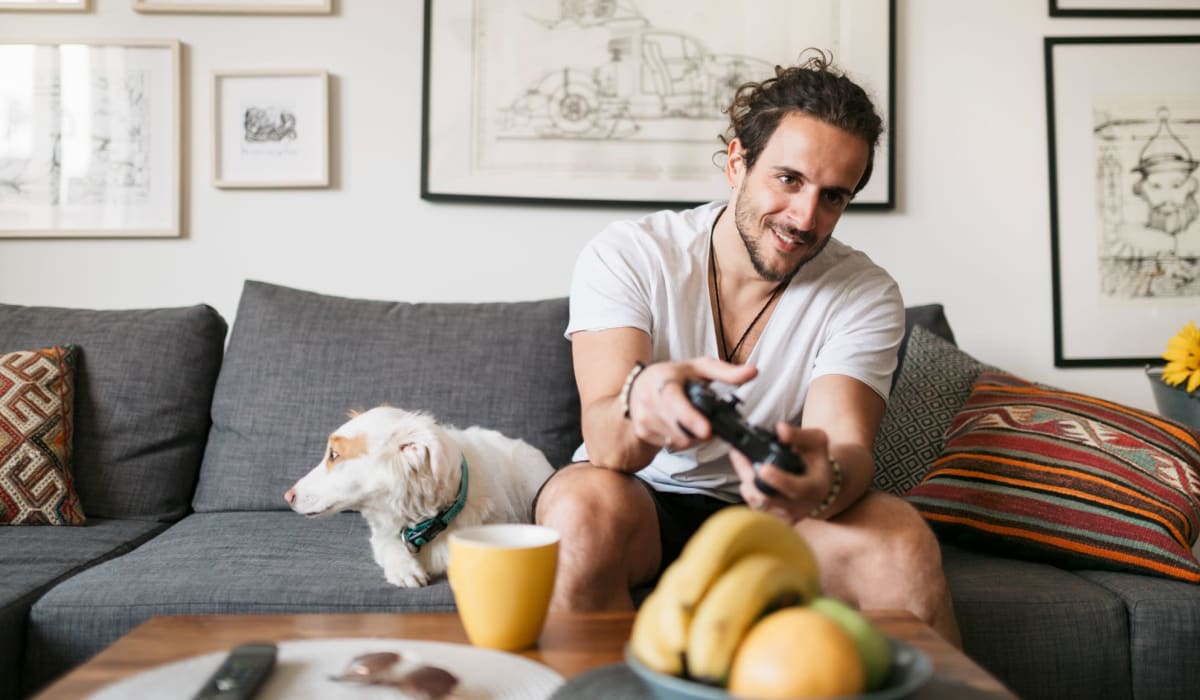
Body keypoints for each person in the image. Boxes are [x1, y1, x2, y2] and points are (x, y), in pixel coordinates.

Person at [534, 50, 961, 644]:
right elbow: (608, 443)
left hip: (782, 515)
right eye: (789, 179)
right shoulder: (630, 253)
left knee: (901, 536)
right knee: (579, 509)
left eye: (834, 196)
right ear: (737, 162)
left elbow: (847, 449)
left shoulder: (864, 292)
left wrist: (826, 477)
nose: (805, 217)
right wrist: (643, 399)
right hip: (641, 498)